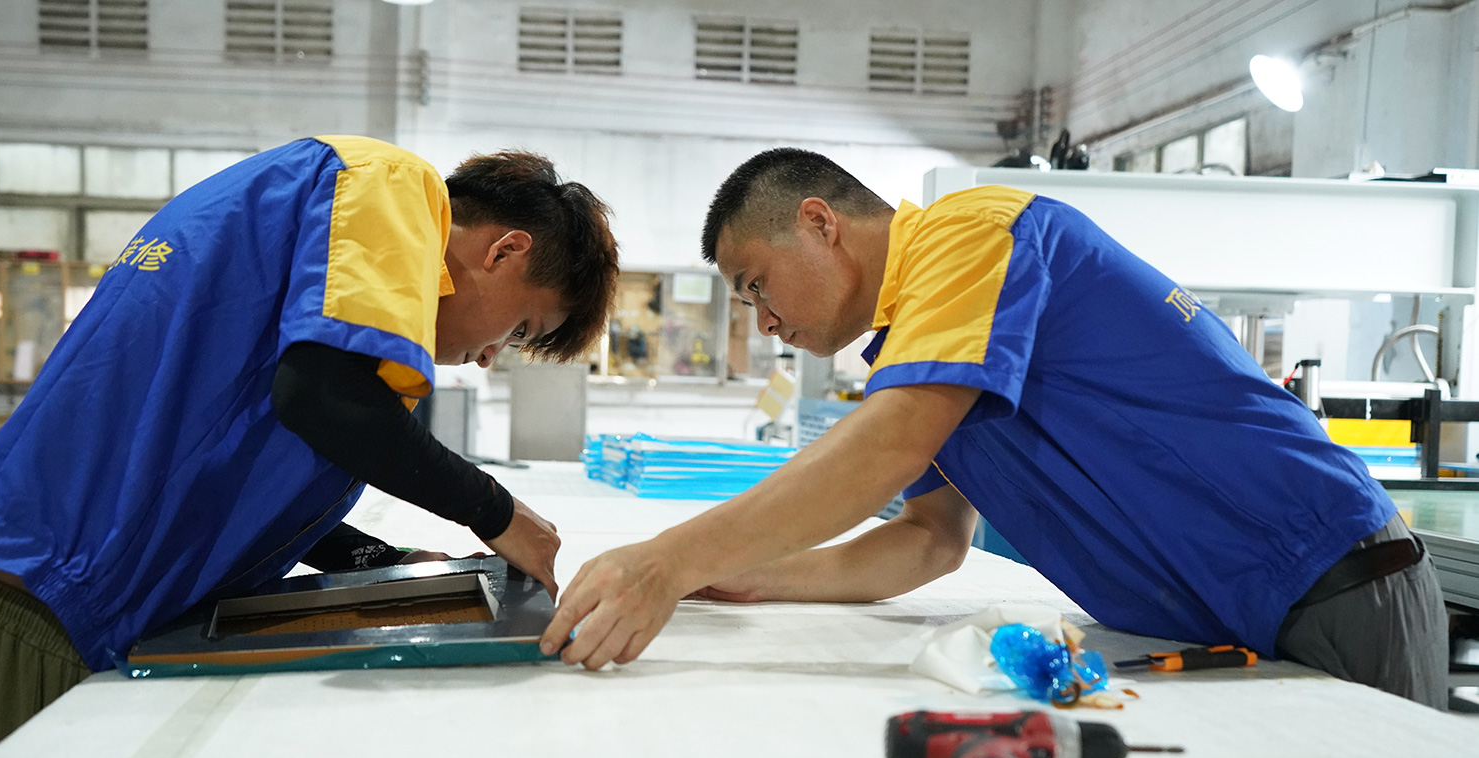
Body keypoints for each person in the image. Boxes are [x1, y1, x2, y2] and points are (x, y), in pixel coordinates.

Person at [540, 147, 1447, 712]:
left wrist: (669, 560)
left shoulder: (973, 233)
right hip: (1228, 621)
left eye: (756, 285)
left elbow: (892, 441)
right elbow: (928, 542)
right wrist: (750, 576)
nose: (764, 321)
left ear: (819, 224)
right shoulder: (916, 345)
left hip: (1330, 583)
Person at [0, 136, 620, 758]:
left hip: (58, 597)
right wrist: (496, 512)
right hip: (38, 609)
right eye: (520, 329)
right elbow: (324, 402)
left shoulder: (309, 225)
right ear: (505, 251)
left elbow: (241, 466)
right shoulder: (389, 183)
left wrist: (383, 561)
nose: (491, 356)